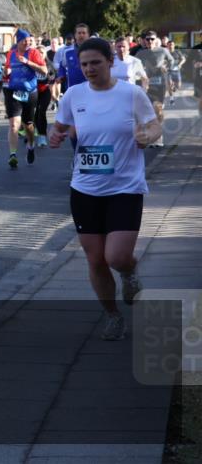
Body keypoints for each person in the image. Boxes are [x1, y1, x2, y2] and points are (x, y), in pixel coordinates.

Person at [49, 38, 161, 340]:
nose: (89, 69)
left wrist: (147, 136)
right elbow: (60, 126)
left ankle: (129, 271)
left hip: (125, 187)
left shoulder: (131, 94)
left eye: (95, 63)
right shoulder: (74, 95)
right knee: (96, 259)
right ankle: (112, 316)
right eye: (84, 64)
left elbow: (154, 125)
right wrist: (55, 135)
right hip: (85, 189)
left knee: (116, 257)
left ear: (111, 61)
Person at [3, 29, 47, 168]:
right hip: (14, 91)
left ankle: (31, 145)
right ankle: (13, 155)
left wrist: (28, 62)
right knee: (14, 124)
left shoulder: (33, 53)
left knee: (28, 125)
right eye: (24, 41)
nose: (27, 43)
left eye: (29, 40)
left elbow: (44, 70)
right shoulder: (11, 54)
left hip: (30, 92)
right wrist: (6, 71)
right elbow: (7, 70)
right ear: (18, 42)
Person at [135, 30, 176, 147]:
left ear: (156, 39)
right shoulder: (140, 53)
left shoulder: (163, 51)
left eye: (152, 39)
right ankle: (153, 138)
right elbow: (134, 65)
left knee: (158, 110)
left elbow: (172, 61)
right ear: (144, 40)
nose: (150, 41)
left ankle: (159, 137)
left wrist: (166, 67)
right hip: (146, 85)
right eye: (147, 39)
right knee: (149, 112)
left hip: (159, 85)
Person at [33, 39, 56, 147]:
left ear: (45, 54)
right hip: (34, 91)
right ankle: (34, 131)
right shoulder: (31, 64)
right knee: (35, 113)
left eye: (41, 53)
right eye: (37, 53)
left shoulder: (49, 65)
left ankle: (42, 136)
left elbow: (53, 78)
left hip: (45, 91)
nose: (39, 55)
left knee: (41, 111)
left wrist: (50, 81)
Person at [167, 39, 186, 104]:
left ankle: (175, 87)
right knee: (169, 84)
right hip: (169, 71)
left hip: (176, 70)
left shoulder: (177, 52)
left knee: (178, 86)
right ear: (167, 46)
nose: (170, 46)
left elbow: (183, 59)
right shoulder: (166, 53)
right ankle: (171, 98)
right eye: (169, 45)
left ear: (174, 45)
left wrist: (180, 64)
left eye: (172, 45)